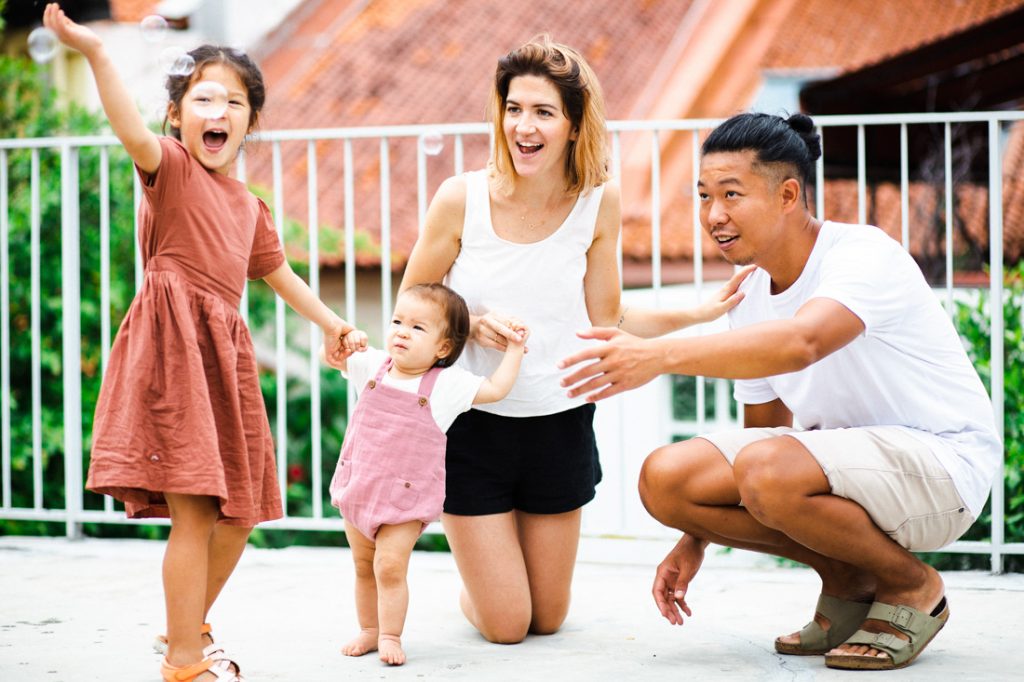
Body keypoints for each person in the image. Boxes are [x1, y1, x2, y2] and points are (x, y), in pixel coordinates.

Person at [558, 112, 1002, 670]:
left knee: (767, 468)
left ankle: (911, 585)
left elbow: (804, 341)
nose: (713, 216)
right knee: (667, 481)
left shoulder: (862, 254)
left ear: (789, 193)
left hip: (940, 468)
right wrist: (695, 536)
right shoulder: (753, 295)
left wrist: (658, 356)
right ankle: (849, 578)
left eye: (731, 195)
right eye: (703, 196)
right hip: (848, 472)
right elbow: (763, 433)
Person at [399, 35, 753, 644]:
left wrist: (698, 314)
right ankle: (483, 585)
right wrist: (469, 324)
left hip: (559, 420)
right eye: (513, 109)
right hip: (471, 423)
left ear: (572, 123)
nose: (524, 126)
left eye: (543, 112)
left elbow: (607, 319)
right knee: (508, 626)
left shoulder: (598, 202)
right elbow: (413, 307)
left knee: (548, 618)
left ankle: (497, 576)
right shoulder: (461, 198)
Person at [43, 5, 360, 681]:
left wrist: (332, 324)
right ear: (178, 116)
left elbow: (281, 275)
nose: (219, 110)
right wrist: (97, 52)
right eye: (204, 98)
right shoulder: (172, 168)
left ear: (250, 121)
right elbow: (127, 127)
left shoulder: (249, 206)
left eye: (235, 102)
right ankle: (185, 658)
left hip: (223, 359)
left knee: (239, 515)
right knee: (192, 518)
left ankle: (182, 628)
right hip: (172, 353)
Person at [322, 283, 527, 665]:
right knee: (363, 566)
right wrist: (345, 339)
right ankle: (368, 629)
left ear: (443, 348)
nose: (402, 331)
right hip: (359, 489)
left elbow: (497, 389)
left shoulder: (445, 386)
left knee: (389, 566)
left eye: (418, 328)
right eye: (398, 321)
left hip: (404, 500)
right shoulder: (372, 365)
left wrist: (514, 351)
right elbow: (331, 357)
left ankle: (389, 634)